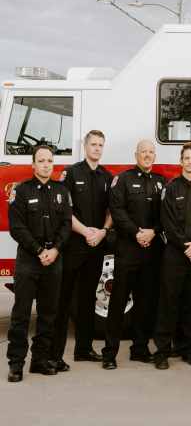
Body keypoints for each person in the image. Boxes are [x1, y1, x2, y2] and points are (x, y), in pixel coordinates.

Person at [7, 145, 72, 382]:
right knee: (21, 314)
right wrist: (38, 251)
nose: (46, 164)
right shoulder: (21, 191)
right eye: (41, 160)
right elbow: (17, 227)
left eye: (49, 161)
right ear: (33, 165)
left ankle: (40, 360)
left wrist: (54, 250)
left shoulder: (62, 191)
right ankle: (16, 364)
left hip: (53, 260)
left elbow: (66, 225)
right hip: (29, 260)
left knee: (48, 314)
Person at [51, 130, 112, 370]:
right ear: (85, 146)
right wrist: (87, 231)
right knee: (63, 300)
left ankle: (84, 350)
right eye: (93, 144)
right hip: (74, 245)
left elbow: (112, 211)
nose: (97, 148)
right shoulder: (71, 173)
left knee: (88, 298)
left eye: (100, 145)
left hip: (96, 246)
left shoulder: (107, 176)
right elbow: (65, 211)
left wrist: (102, 232)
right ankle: (55, 354)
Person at [102, 140, 166, 369]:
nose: (147, 156)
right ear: (136, 154)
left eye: (151, 152)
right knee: (118, 302)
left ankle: (139, 349)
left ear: (154, 156)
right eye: (143, 152)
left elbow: (166, 215)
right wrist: (137, 232)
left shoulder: (161, 182)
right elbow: (116, 211)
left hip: (151, 251)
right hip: (128, 250)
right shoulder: (123, 179)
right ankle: (109, 353)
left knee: (145, 303)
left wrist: (154, 232)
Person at [153, 143, 191, 369]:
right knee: (168, 301)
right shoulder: (170, 188)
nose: (189, 162)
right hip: (175, 254)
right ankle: (162, 351)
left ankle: (188, 349)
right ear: (181, 162)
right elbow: (167, 223)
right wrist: (185, 246)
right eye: (185, 158)